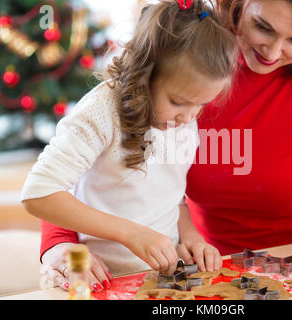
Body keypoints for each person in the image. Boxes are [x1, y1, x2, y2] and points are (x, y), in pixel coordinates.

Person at [38, 0, 292, 291]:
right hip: (199, 270)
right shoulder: (181, 61)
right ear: (236, 5)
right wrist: (59, 245)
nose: (273, 53)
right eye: (263, 27)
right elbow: (75, 170)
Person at [21, 0, 238, 292]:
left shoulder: (181, 118)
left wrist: (191, 236)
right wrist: (131, 233)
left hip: (161, 281)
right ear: (145, 72)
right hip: (97, 279)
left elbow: (173, 195)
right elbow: (38, 193)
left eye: (200, 104)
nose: (188, 116)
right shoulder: (101, 112)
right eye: (178, 101)